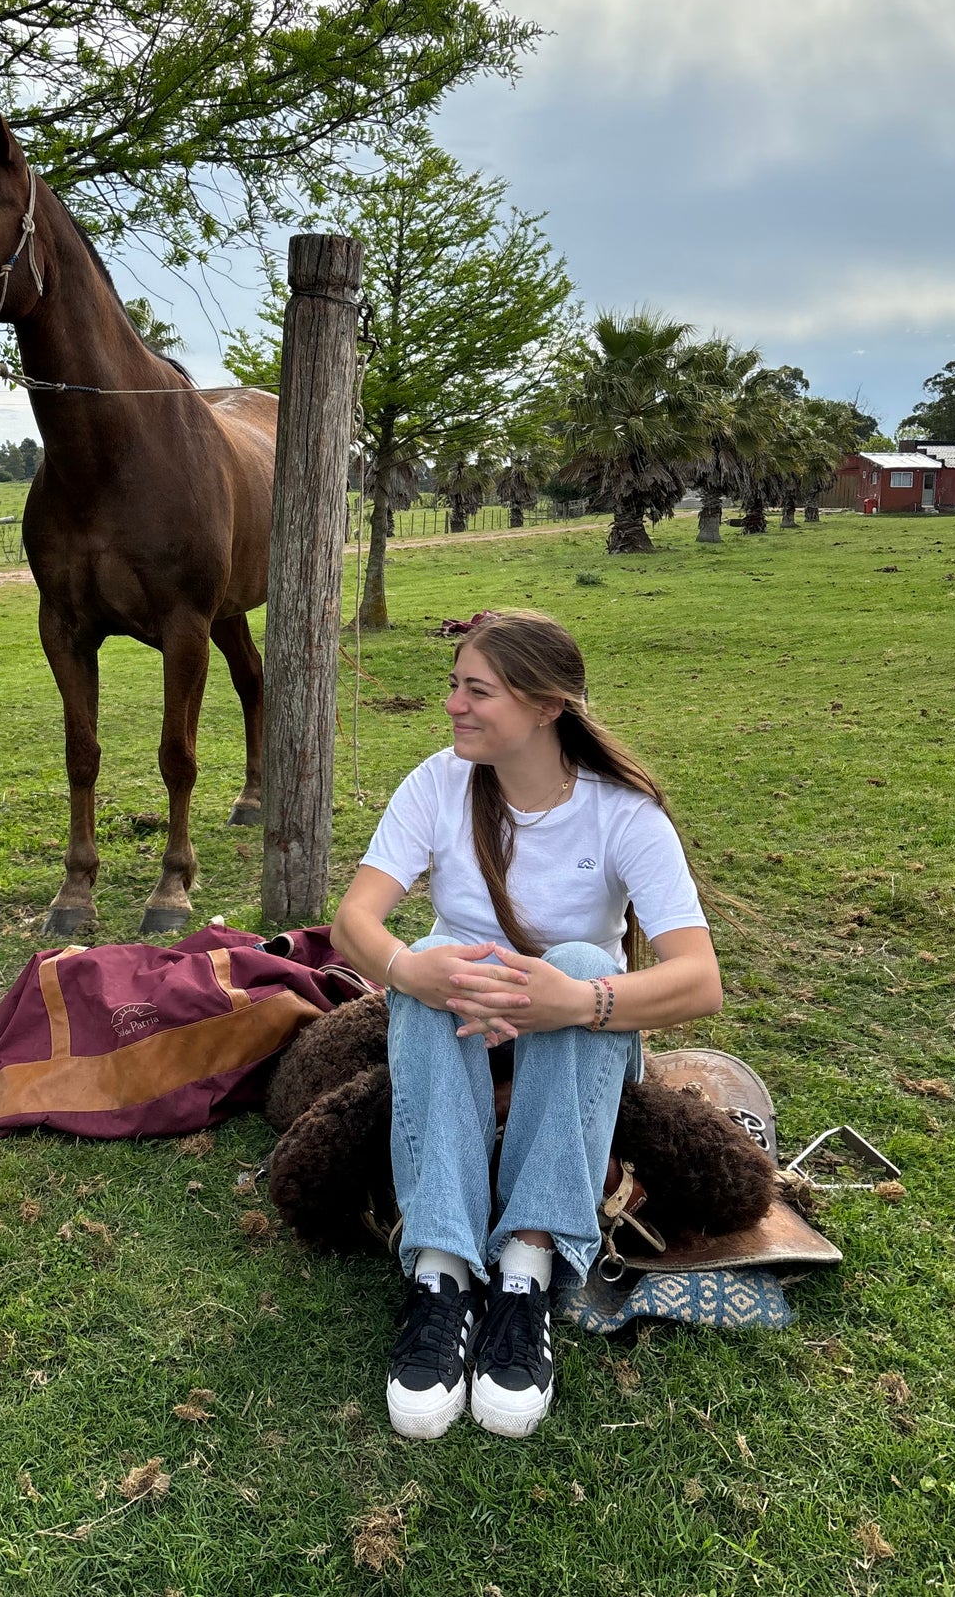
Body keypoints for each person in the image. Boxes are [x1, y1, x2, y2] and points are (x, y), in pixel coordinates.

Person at [331, 609, 722, 1441]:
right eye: (453, 686)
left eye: (477, 690)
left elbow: (698, 979)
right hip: (461, 1029)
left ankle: (526, 1266)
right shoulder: (436, 783)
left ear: (545, 706)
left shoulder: (624, 814)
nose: (452, 706)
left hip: (577, 1038)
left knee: (583, 960)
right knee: (439, 954)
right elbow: (353, 921)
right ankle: (441, 1271)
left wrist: (576, 1002)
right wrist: (407, 969)